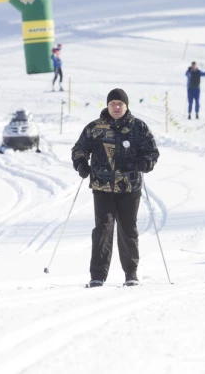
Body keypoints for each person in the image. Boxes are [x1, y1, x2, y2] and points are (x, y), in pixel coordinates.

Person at [71, 88, 160, 287]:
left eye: (120, 104)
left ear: (126, 106)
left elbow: (152, 151)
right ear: (108, 105)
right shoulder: (94, 128)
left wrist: (146, 163)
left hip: (130, 188)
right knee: (103, 230)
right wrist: (81, 164)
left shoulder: (139, 127)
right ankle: (98, 276)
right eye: (113, 104)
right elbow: (78, 150)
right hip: (102, 188)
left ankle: (131, 273)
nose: (116, 107)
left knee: (128, 230)